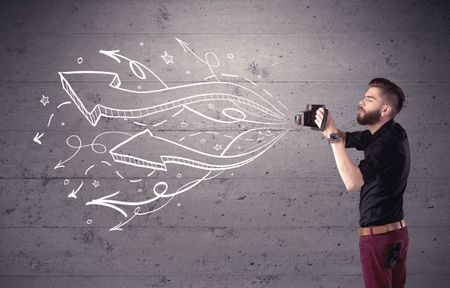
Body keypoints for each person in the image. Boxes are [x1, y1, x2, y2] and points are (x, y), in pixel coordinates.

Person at [314, 78, 410, 288]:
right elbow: (347, 138)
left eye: (369, 99)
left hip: (379, 240)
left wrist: (332, 136)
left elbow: (352, 181)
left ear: (384, 109)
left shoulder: (386, 145)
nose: (361, 101)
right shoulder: (390, 132)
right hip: (394, 235)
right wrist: (326, 127)